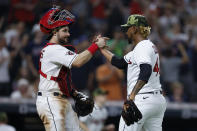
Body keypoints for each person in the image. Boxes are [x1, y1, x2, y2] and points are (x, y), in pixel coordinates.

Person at [36, 7, 107, 131]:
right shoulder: (53, 49)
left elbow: (60, 80)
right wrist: (95, 46)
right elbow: (78, 61)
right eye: (64, 30)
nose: (68, 34)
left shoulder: (55, 49)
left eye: (68, 31)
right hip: (51, 100)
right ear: (54, 32)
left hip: (60, 99)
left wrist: (74, 94)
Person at [100, 14, 167, 131]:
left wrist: (132, 96)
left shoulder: (142, 47)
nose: (126, 32)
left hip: (142, 99)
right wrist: (101, 48)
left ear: (135, 28)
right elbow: (120, 63)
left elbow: (145, 70)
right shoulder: (147, 46)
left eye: (128, 28)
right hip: (156, 101)